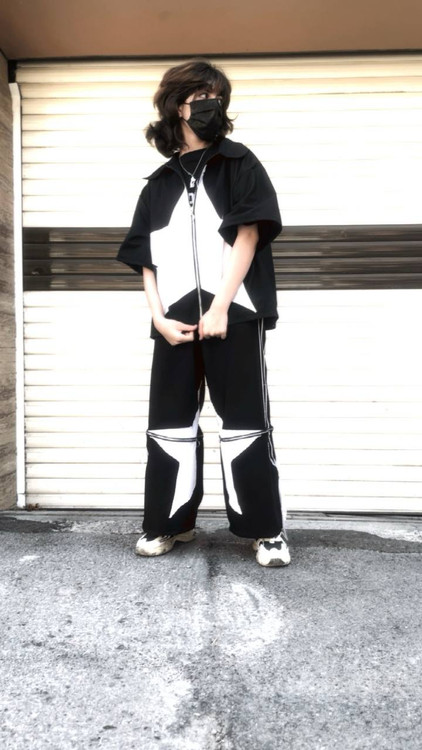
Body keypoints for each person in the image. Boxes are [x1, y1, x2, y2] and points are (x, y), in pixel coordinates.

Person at [115, 59, 290, 567]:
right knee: (169, 424)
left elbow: (248, 234)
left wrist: (220, 308)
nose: (212, 106)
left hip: (235, 314)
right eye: (201, 97)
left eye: (218, 97)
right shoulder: (158, 183)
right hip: (174, 320)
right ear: (177, 105)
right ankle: (169, 523)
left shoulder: (239, 163)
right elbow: (145, 259)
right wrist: (158, 318)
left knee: (245, 423)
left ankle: (266, 531)